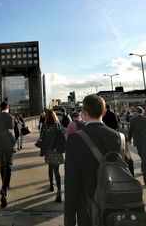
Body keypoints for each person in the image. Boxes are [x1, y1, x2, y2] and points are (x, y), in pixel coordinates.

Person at [64, 94, 121, 225]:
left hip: (88, 209)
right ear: (104, 112)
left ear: (84, 113)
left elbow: (71, 182)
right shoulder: (120, 138)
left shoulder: (75, 139)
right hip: (116, 209)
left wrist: (70, 220)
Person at [0, 101, 15, 208]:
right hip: (8, 144)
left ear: (0, 108)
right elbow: (12, 131)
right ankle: (4, 190)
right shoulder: (11, 117)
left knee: (2, 165)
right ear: (8, 107)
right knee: (8, 165)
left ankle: (4, 184)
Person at [41, 109, 64, 203]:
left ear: (46, 116)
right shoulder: (58, 125)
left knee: (50, 167)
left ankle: (51, 185)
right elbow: (63, 136)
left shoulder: (45, 126)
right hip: (57, 150)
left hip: (49, 150)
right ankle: (59, 191)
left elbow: (41, 138)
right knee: (57, 171)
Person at [128, 106, 146, 182]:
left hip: (138, 141)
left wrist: (129, 140)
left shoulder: (133, 120)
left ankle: (143, 168)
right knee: (144, 155)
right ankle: (143, 167)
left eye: (134, 111)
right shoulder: (145, 119)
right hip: (144, 139)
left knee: (141, 154)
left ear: (136, 112)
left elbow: (130, 131)